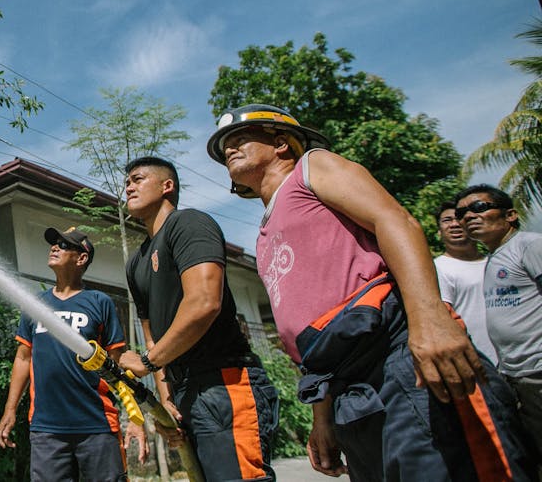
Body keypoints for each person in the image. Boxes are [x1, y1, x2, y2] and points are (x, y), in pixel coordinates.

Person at [207, 103, 534, 480]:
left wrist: (431, 319)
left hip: (396, 358)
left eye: (240, 138)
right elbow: (307, 334)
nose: (228, 148)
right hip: (347, 388)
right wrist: (322, 416)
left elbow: (394, 219)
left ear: (281, 143)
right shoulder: (263, 237)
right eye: (225, 145)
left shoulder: (313, 168)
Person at [115, 156, 278, 482]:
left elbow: (204, 303)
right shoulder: (137, 263)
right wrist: (166, 405)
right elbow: (152, 338)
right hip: (185, 391)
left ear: (167, 186)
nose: (128, 186)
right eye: (126, 182)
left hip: (224, 383)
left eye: (137, 179)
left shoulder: (189, 224)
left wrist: (148, 361)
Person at [0, 227, 129, 481]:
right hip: (47, 428)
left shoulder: (100, 302)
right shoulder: (36, 304)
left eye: (64, 245)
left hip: (96, 424)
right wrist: (10, 409)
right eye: (54, 243)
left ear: (82, 258)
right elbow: (23, 358)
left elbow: (118, 361)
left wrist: (136, 420)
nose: (55, 247)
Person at [456, 184, 542, 461]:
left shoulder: (529, 245)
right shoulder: (493, 258)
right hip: (517, 375)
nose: (468, 216)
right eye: (461, 213)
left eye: (479, 207)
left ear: (511, 215)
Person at [433, 200, 497, 363]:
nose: (454, 224)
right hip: (477, 363)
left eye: (459, 218)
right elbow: (440, 321)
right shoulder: (436, 269)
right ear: (439, 232)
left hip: (519, 363)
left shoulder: (497, 262)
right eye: (447, 220)